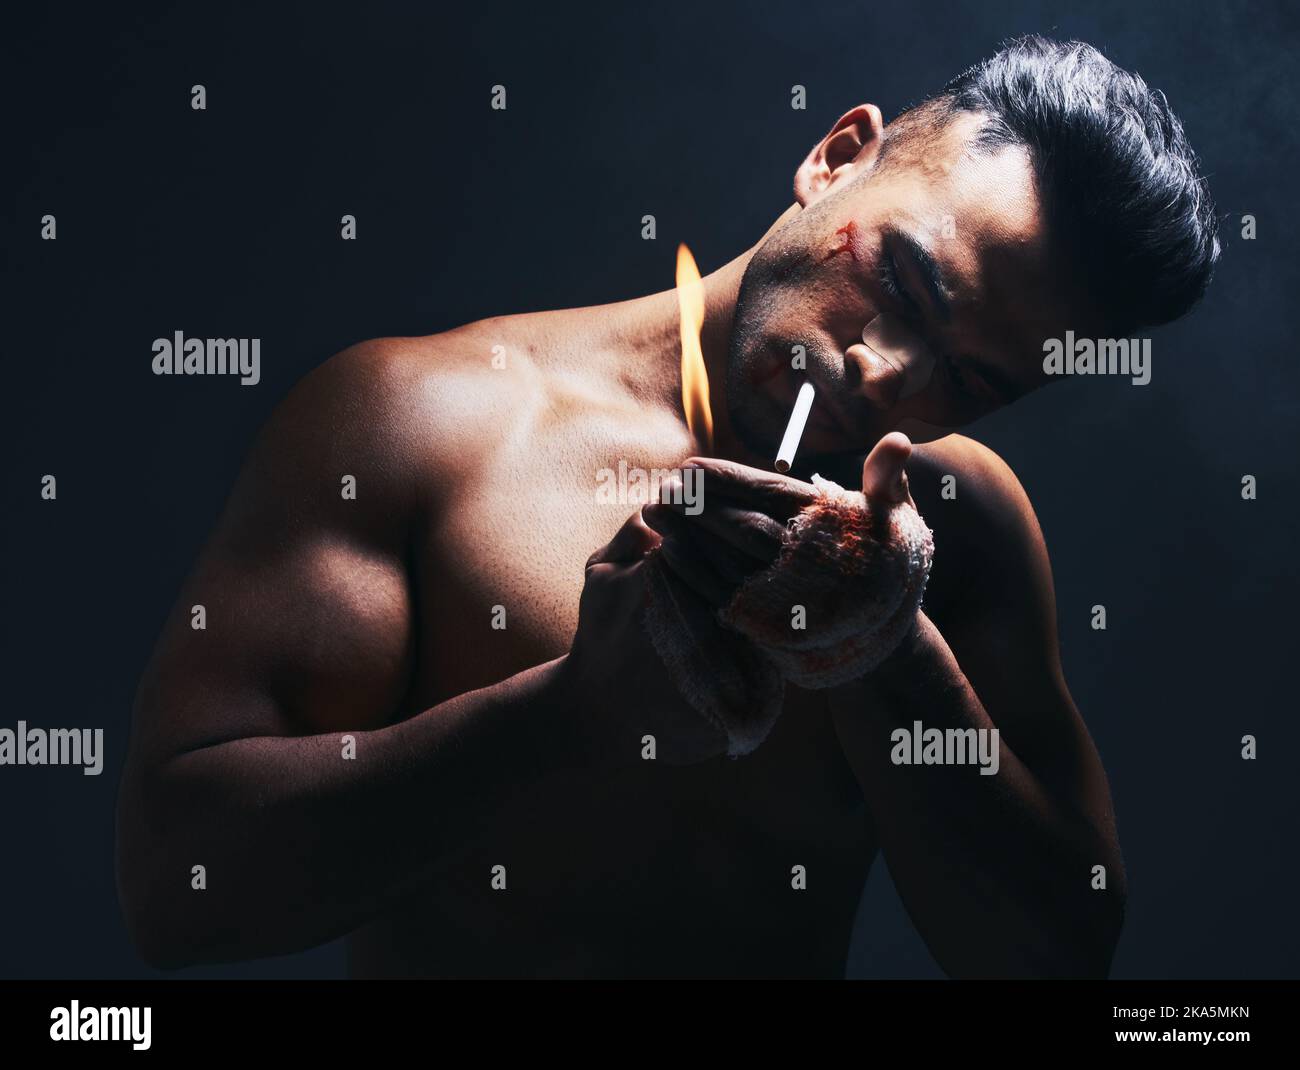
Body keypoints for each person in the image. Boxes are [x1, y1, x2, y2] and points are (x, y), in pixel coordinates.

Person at [116, 35, 1219, 977]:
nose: (890, 376)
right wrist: (568, 717)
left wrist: (885, 647)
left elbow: (1059, 951)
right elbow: (180, 885)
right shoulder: (424, 420)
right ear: (836, 160)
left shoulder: (957, 527)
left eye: (972, 383)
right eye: (902, 283)